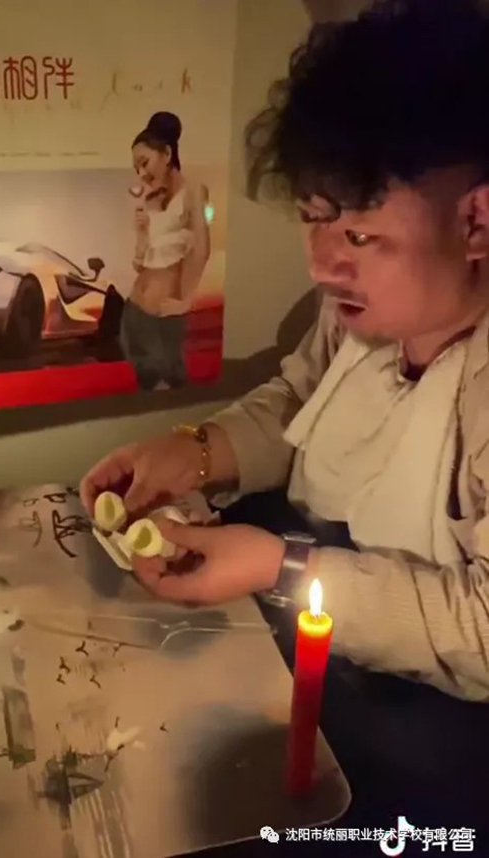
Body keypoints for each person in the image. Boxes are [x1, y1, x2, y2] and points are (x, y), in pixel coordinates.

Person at [82, 0, 489, 702]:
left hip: (433, 706)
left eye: (358, 237)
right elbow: (303, 397)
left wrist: (282, 569)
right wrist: (197, 452)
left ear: (476, 220)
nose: (321, 266)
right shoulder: (361, 310)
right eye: (310, 219)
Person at [121, 111, 210, 389]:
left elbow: (201, 248)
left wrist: (186, 301)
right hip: (134, 311)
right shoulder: (150, 200)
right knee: (145, 391)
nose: (141, 173)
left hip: (163, 315)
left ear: (168, 153)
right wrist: (141, 234)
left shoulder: (194, 190)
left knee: (170, 388)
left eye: (144, 162)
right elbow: (140, 265)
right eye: (136, 168)